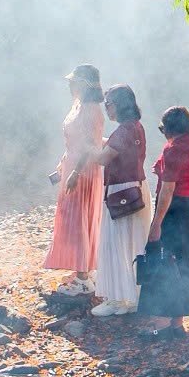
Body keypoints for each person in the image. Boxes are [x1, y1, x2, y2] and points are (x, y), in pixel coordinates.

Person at [137, 105, 189, 330]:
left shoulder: (173, 149)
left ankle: (162, 320)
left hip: (173, 209)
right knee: (184, 261)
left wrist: (156, 223)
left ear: (169, 128)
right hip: (188, 208)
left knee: (165, 260)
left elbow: (167, 190)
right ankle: (177, 320)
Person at [45, 65, 104, 283]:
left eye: (73, 82)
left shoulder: (91, 110)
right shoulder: (78, 106)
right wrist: (63, 167)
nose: (69, 85)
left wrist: (76, 172)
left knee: (80, 216)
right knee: (71, 216)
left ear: (83, 84)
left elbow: (90, 145)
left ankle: (83, 273)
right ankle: (80, 266)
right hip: (73, 167)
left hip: (84, 170)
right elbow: (73, 142)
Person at [92, 85, 147, 315]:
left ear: (120, 104)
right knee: (134, 243)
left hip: (119, 191)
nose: (107, 109)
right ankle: (132, 297)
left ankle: (116, 299)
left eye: (109, 104)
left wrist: (86, 149)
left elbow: (103, 159)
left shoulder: (123, 131)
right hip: (136, 188)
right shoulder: (136, 127)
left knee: (115, 245)